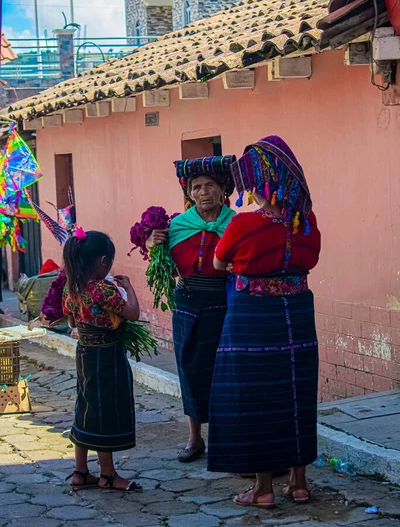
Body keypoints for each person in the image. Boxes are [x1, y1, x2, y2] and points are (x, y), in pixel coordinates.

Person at [207, 136, 321, 509]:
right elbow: (312, 260)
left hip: (251, 317)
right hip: (299, 316)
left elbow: (219, 264)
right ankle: (299, 484)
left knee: (255, 396)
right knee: (296, 395)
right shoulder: (307, 222)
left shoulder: (243, 225)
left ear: (260, 181)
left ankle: (263, 488)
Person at [146, 155, 236, 462]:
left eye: (210, 185)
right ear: (189, 193)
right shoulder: (178, 227)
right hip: (186, 302)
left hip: (224, 304)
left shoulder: (236, 224)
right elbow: (167, 267)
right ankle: (195, 437)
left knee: (222, 369)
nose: (203, 192)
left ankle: (224, 437)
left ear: (224, 190)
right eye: (196, 186)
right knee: (188, 366)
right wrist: (153, 246)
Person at [62, 228, 142, 491]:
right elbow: (131, 313)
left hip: (84, 353)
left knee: (85, 404)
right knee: (104, 408)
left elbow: (72, 321)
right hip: (107, 355)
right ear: (103, 262)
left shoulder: (70, 288)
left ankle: (80, 471)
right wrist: (128, 287)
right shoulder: (103, 289)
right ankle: (108, 475)